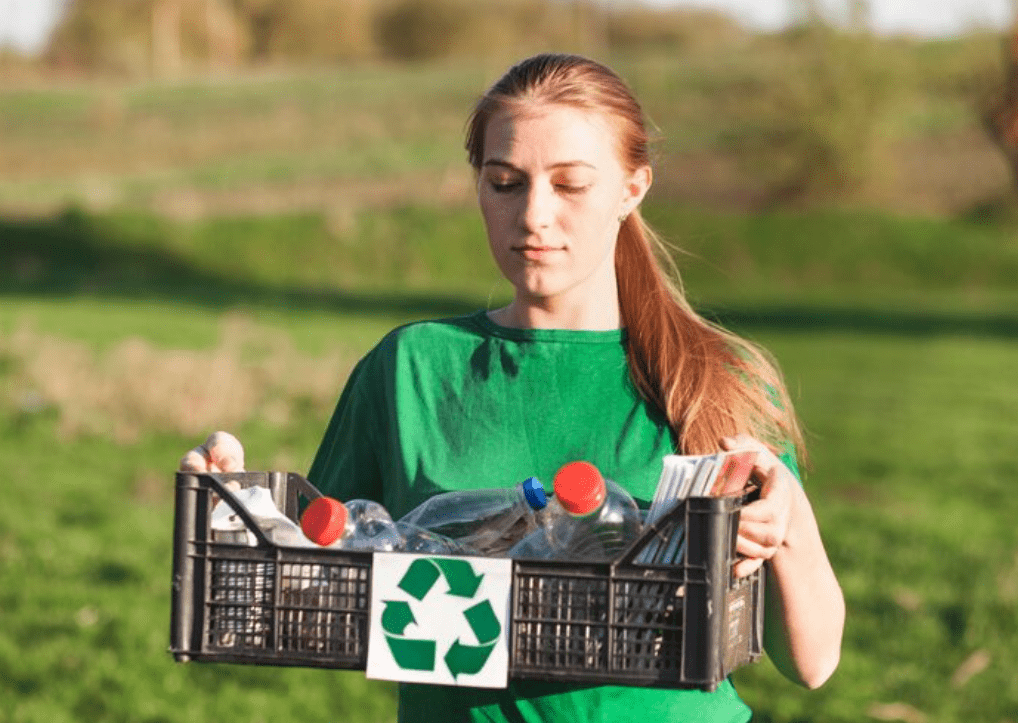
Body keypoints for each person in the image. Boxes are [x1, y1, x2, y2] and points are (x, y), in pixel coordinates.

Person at [181, 52, 844, 722]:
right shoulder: (409, 368)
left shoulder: (712, 375)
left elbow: (813, 660)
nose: (533, 215)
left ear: (632, 187)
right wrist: (233, 512)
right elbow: (308, 599)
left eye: (570, 184)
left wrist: (788, 525)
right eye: (505, 182)